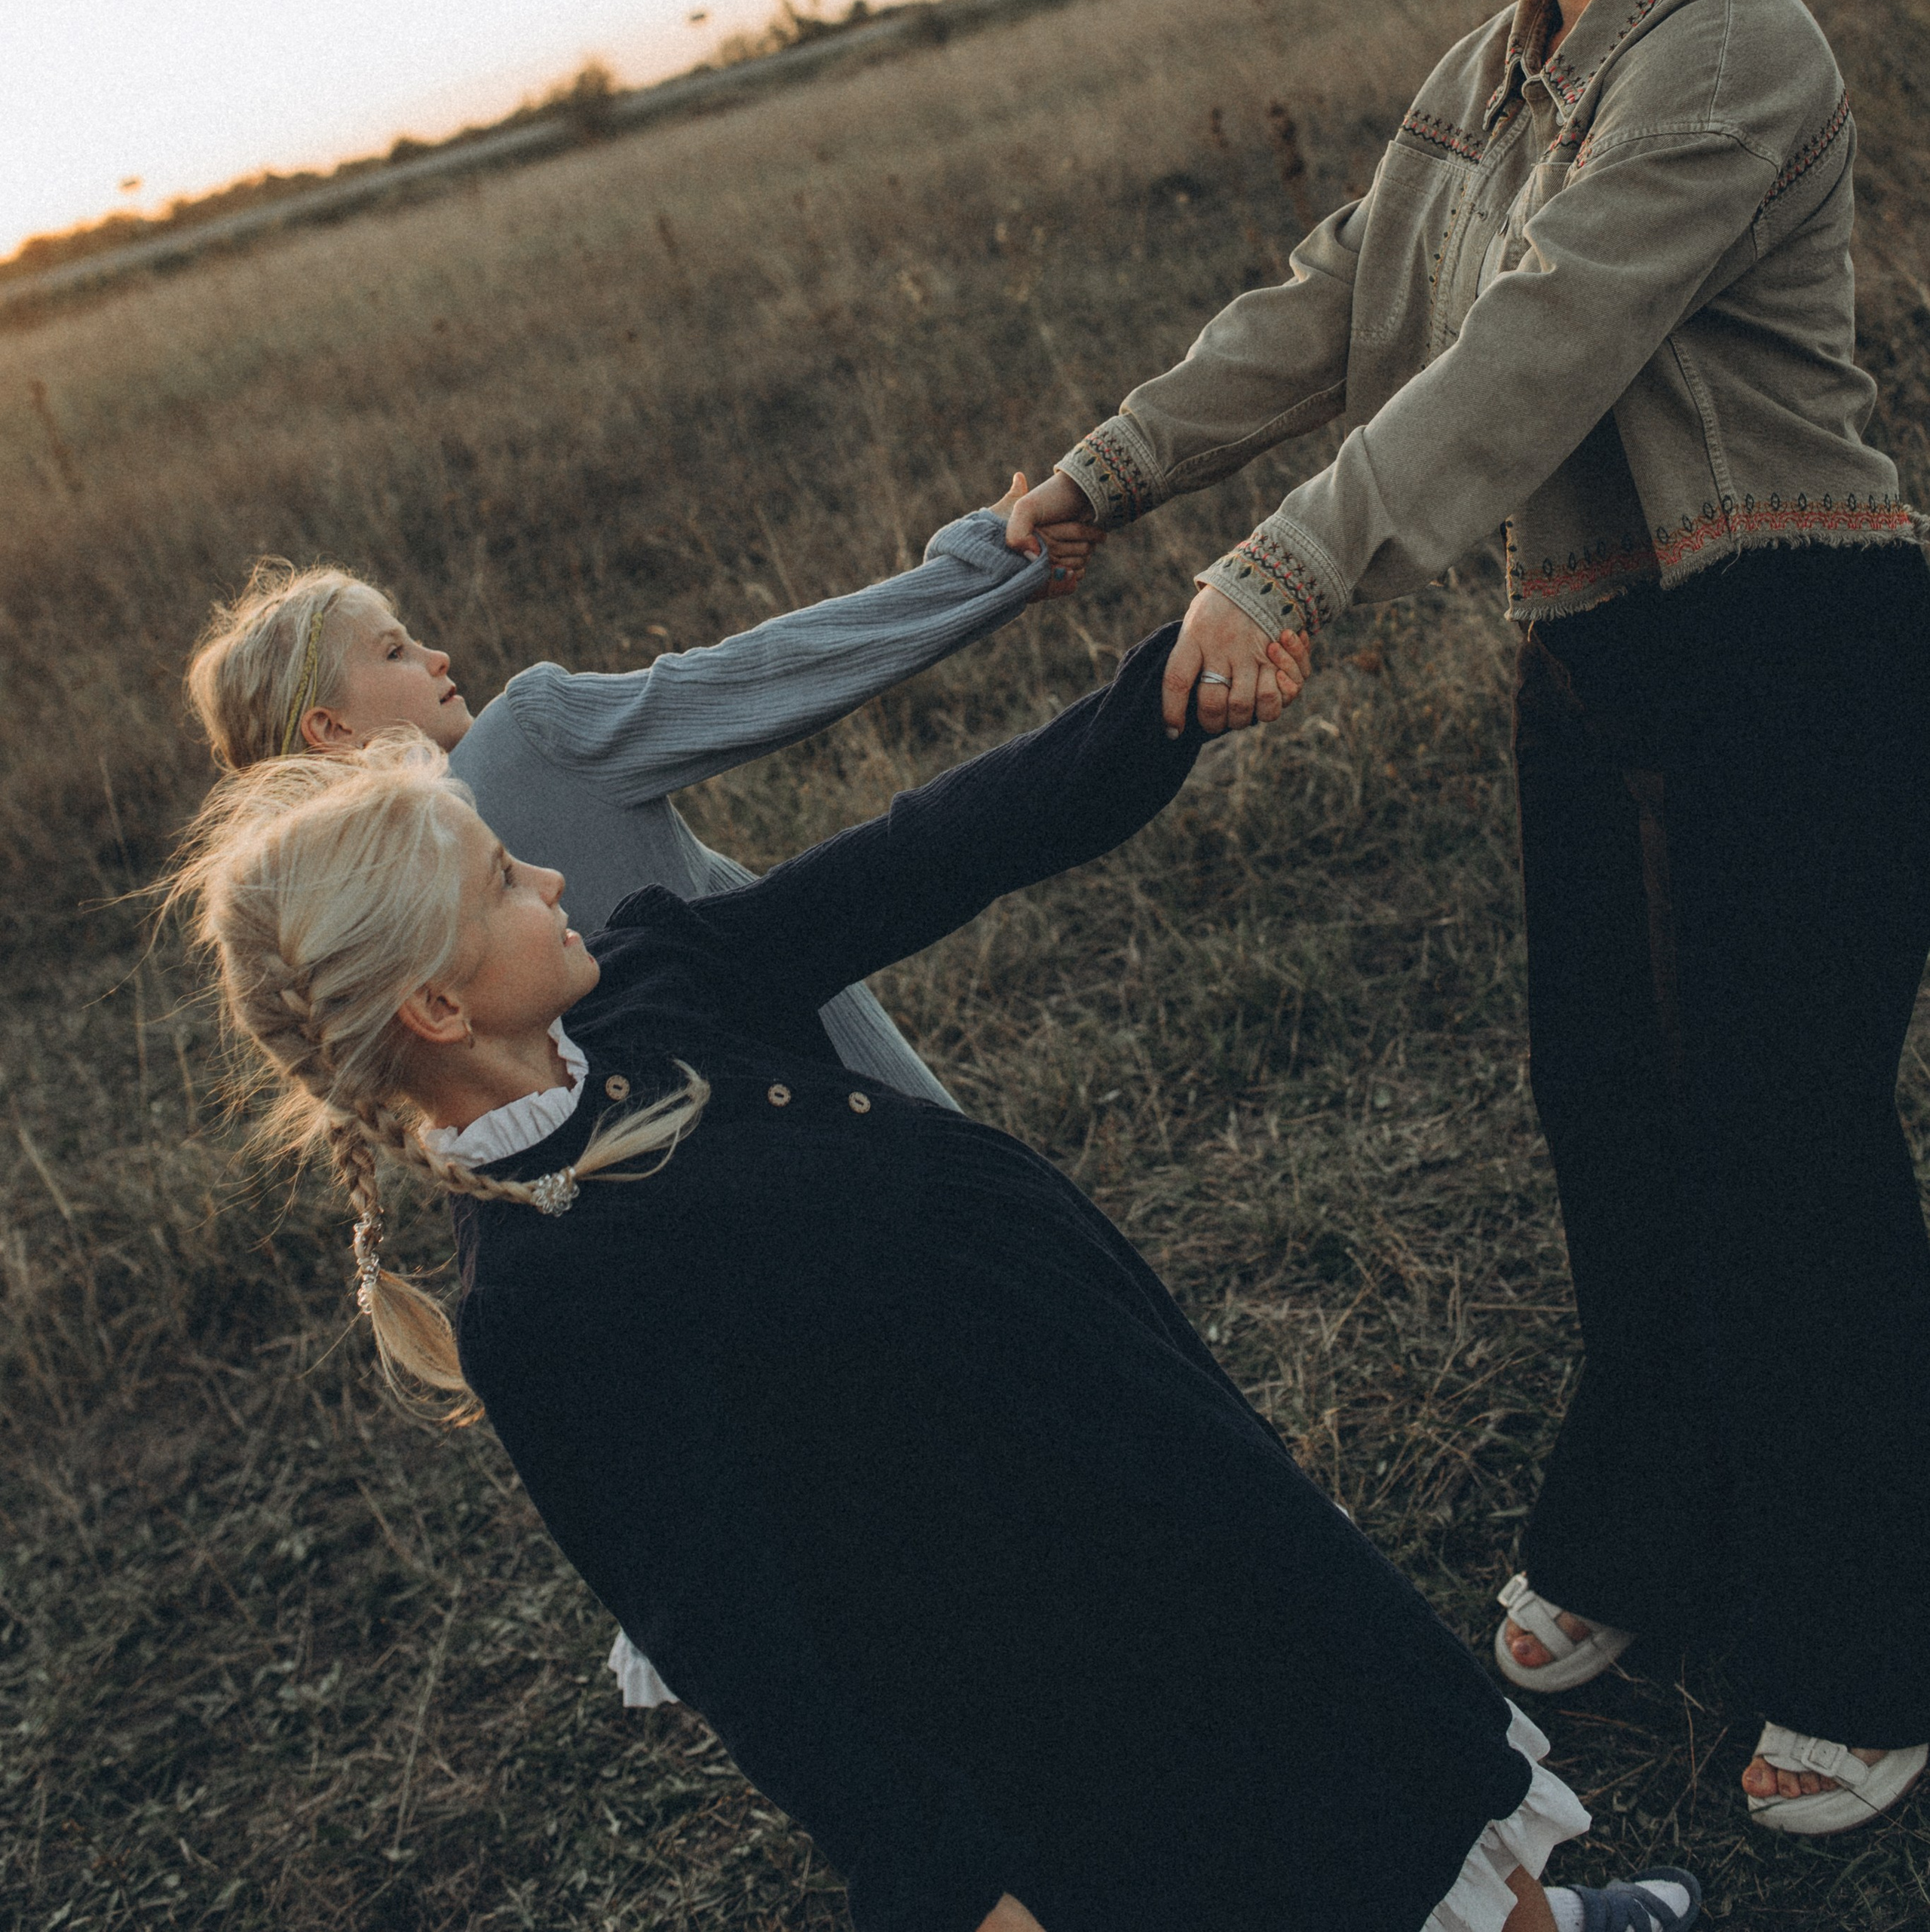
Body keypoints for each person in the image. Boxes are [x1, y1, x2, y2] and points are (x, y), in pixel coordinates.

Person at [1006, 0, 1930, 1836]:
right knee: (1615, 1118)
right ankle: (1652, 1529)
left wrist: (1292, 575)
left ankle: (1879, 1631)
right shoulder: (1492, 65)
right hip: (1602, 649)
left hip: (1798, 634)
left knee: (1786, 1161)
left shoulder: (1728, 43)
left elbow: (1535, 346)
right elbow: (1347, 298)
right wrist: (1109, 472)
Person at [168, 628, 1702, 1932]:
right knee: (1275, 1838)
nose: (553, 876)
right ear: (436, 1001)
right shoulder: (543, 1307)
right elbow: (737, 1637)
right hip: (1042, 1648)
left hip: (1154, 1458)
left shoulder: (653, 988)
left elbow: (924, 853)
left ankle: (1530, 1915)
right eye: (506, 879)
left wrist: (1158, 692)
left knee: (1372, 1715)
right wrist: (952, 1888)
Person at [185, 479, 1132, 1710]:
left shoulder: (343, 944)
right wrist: (985, 563)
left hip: (726, 1297)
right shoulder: (531, 737)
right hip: (838, 1128)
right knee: (1051, 1371)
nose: (438, 653)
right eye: (395, 647)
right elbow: (775, 672)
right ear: (327, 731)